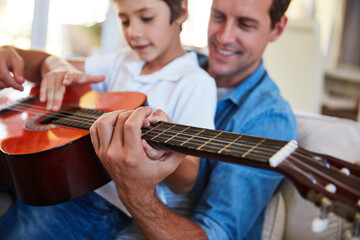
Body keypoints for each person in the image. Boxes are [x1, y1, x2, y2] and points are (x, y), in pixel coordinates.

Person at [0, 0, 296, 239]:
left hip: (101, 206)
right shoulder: (125, 60)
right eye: (125, 20)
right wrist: (52, 63)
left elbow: (189, 182)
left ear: (181, 11)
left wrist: (158, 153)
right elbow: (53, 66)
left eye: (245, 24)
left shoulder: (205, 86)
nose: (134, 32)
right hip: (64, 182)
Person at [89, 0, 297, 239]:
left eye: (245, 24)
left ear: (277, 29)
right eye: (218, 16)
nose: (224, 37)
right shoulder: (173, 63)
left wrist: (135, 190)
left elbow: (214, 234)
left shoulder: (270, 120)